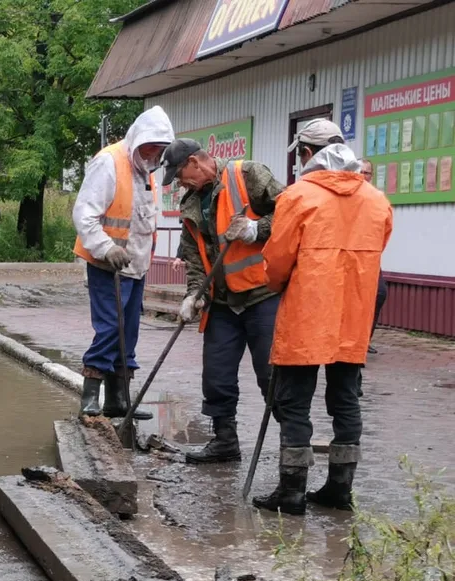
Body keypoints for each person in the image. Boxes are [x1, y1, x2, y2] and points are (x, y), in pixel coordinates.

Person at [252, 120, 392, 515]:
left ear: (307, 153)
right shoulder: (377, 200)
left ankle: (291, 492)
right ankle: (339, 489)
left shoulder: (298, 196)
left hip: (307, 314)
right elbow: (379, 248)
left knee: (294, 401)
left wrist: (276, 283)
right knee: (346, 399)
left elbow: (278, 260)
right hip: (353, 315)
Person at [160, 138, 284, 463]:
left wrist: (257, 228)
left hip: (263, 295)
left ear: (194, 162)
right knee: (216, 375)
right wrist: (194, 294)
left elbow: (293, 213)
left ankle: (292, 447)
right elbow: (194, 258)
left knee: (272, 375)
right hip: (222, 304)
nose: (180, 183)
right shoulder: (191, 205)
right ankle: (225, 441)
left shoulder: (249, 175)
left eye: (180, 175)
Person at [72, 106, 175, 420]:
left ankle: (118, 400)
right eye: (150, 147)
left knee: (128, 332)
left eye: (159, 149)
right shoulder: (109, 162)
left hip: (136, 267)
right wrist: (106, 248)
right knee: (109, 329)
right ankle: (90, 396)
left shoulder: (145, 171)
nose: (153, 154)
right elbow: (84, 214)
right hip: (108, 265)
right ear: (139, 139)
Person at [360, 158, 389, 354]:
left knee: (379, 293)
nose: (363, 176)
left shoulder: (376, 199)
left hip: (369, 256)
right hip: (345, 256)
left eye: (367, 172)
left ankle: (363, 340)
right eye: (359, 172)